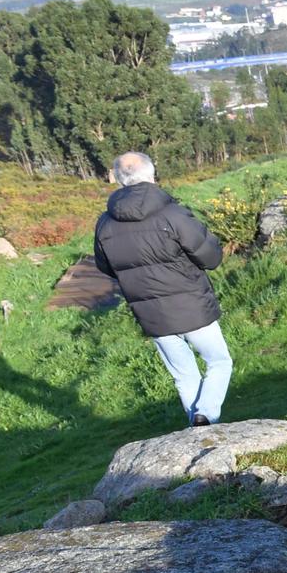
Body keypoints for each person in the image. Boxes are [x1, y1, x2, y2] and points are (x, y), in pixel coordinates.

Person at [92, 151, 231, 427]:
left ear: (119, 180)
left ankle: (199, 425)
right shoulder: (173, 214)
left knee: (184, 375)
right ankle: (206, 414)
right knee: (219, 362)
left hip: (151, 313)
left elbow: (106, 267)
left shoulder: (104, 223)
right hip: (192, 305)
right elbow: (211, 257)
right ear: (152, 175)